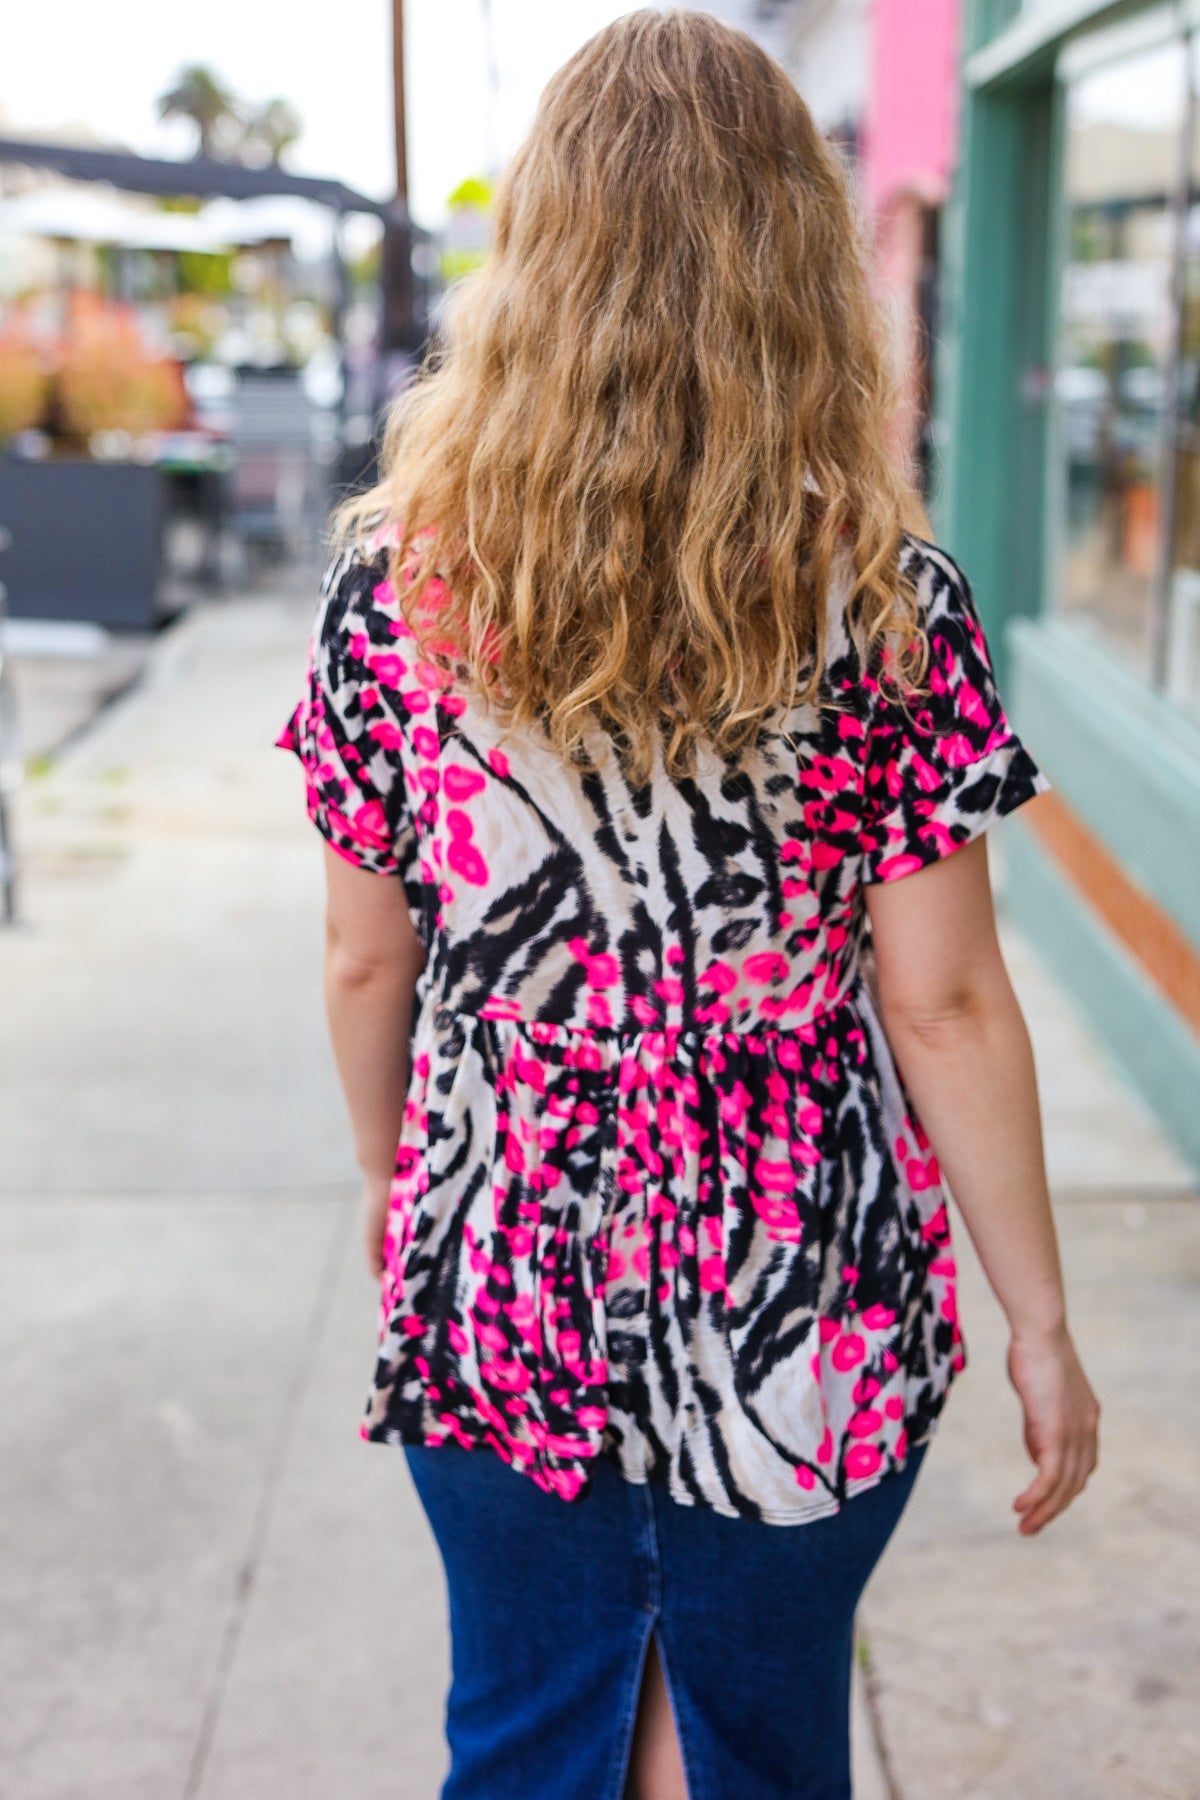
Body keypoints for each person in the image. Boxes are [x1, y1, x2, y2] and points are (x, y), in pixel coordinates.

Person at [276, 11, 1100, 1797]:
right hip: (806, 1305)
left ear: (539, 259)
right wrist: (1039, 1321)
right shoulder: (890, 609)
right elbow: (945, 1005)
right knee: (761, 1747)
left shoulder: (393, 602)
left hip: (505, 1277)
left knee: (523, 1736)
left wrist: (383, 1168)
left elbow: (365, 958)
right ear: (798, 260)